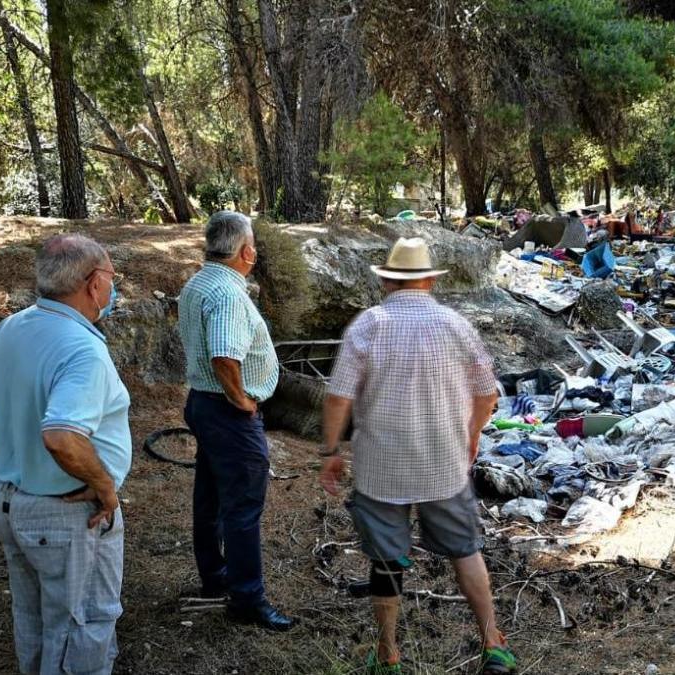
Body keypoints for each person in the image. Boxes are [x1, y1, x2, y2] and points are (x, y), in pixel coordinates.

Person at [319, 237, 517, 675]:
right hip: (443, 465)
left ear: (388, 280)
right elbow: (486, 394)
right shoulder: (455, 325)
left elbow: (338, 398)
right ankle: (493, 643)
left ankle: (388, 653)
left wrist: (331, 450)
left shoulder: (368, 324)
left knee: (387, 560)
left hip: (380, 468)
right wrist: (471, 436)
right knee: (465, 550)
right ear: (429, 279)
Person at [0, 233, 131, 675]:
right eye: (112, 276)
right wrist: (104, 485)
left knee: (35, 617)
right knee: (81, 623)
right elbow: (62, 436)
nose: (113, 286)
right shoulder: (82, 349)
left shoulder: (17, 325)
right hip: (64, 515)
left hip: (11, 502)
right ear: (92, 283)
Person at [177, 210, 293, 630]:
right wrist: (242, 400)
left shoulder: (199, 282)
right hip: (226, 411)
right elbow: (224, 355)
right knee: (242, 506)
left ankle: (215, 576)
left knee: (209, 495)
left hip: (204, 404)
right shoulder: (227, 293)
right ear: (246, 251)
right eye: (254, 245)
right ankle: (246, 597)